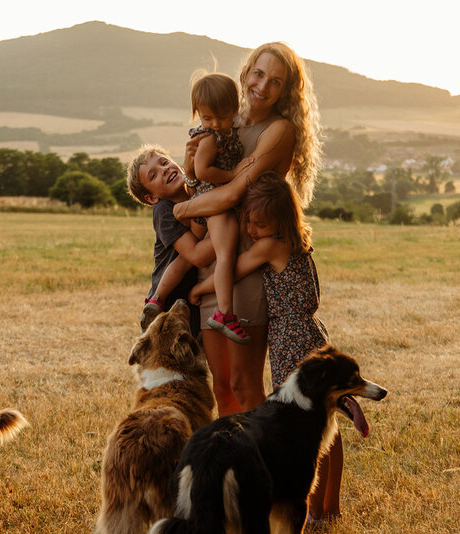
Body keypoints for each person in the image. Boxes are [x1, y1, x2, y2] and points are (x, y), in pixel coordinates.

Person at [174, 42, 323, 418]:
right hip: (213, 260)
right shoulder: (224, 121)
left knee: (245, 386)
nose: (263, 86)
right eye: (259, 74)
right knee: (222, 388)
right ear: (246, 72)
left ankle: (266, 468)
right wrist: (191, 173)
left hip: (247, 267)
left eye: (276, 81)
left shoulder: (279, 131)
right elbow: (204, 190)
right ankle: (235, 472)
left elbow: (235, 193)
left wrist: (181, 207)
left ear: (286, 91)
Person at [188, 172, 343, 525]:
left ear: (279, 220)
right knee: (324, 421)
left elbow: (236, 268)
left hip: (293, 343)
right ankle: (328, 508)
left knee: (306, 428)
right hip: (311, 334)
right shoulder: (297, 240)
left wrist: (199, 292)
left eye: (259, 223)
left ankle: (316, 508)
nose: (252, 230)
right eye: (249, 223)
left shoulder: (271, 245)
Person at [151, 73, 249, 344]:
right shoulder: (209, 139)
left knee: (222, 252)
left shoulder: (227, 132)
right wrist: (234, 176)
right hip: (213, 203)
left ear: (235, 109)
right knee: (225, 253)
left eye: (222, 116)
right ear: (197, 115)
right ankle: (224, 313)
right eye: (207, 119)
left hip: (212, 201)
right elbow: (203, 170)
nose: (215, 124)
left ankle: (217, 310)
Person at [126, 145, 215, 335]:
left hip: (191, 295)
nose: (164, 170)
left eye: (164, 162)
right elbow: (194, 253)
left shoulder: (197, 191)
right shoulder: (163, 211)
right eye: (153, 175)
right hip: (168, 301)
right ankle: (155, 301)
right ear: (151, 197)